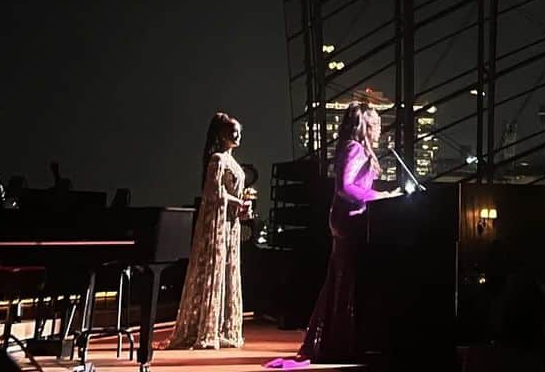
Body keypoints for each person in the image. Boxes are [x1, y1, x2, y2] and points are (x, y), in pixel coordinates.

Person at [265, 102, 400, 369]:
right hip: (350, 222)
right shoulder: (354, 148)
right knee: (347, 280)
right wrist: (381, 196)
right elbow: (346, 187)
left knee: (342, 281)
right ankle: (342, 342)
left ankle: (339, 340)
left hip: (348, 221)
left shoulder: (354, 148)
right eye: (375, 124)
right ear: (365, 125)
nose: (379, 129)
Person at [167, 112, 254, 350]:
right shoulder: (217, 160)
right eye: (232, 131)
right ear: (220, 134)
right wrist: (237, 203)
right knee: (214, 269)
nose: (237, 135)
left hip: (230, 225)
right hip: (217, 225)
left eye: (239, 131)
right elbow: (212, 194)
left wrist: (242, 208)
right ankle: (207, 328)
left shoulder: (233, 161)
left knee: (227, 269)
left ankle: (224, 326)